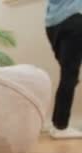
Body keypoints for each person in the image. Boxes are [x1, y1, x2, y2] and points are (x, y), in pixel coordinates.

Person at [46, 0, 82, 138]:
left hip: (52, 24)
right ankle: (61, 126)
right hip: (73, 19)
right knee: (69, 76)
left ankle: (57, 124)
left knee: (69, 76)